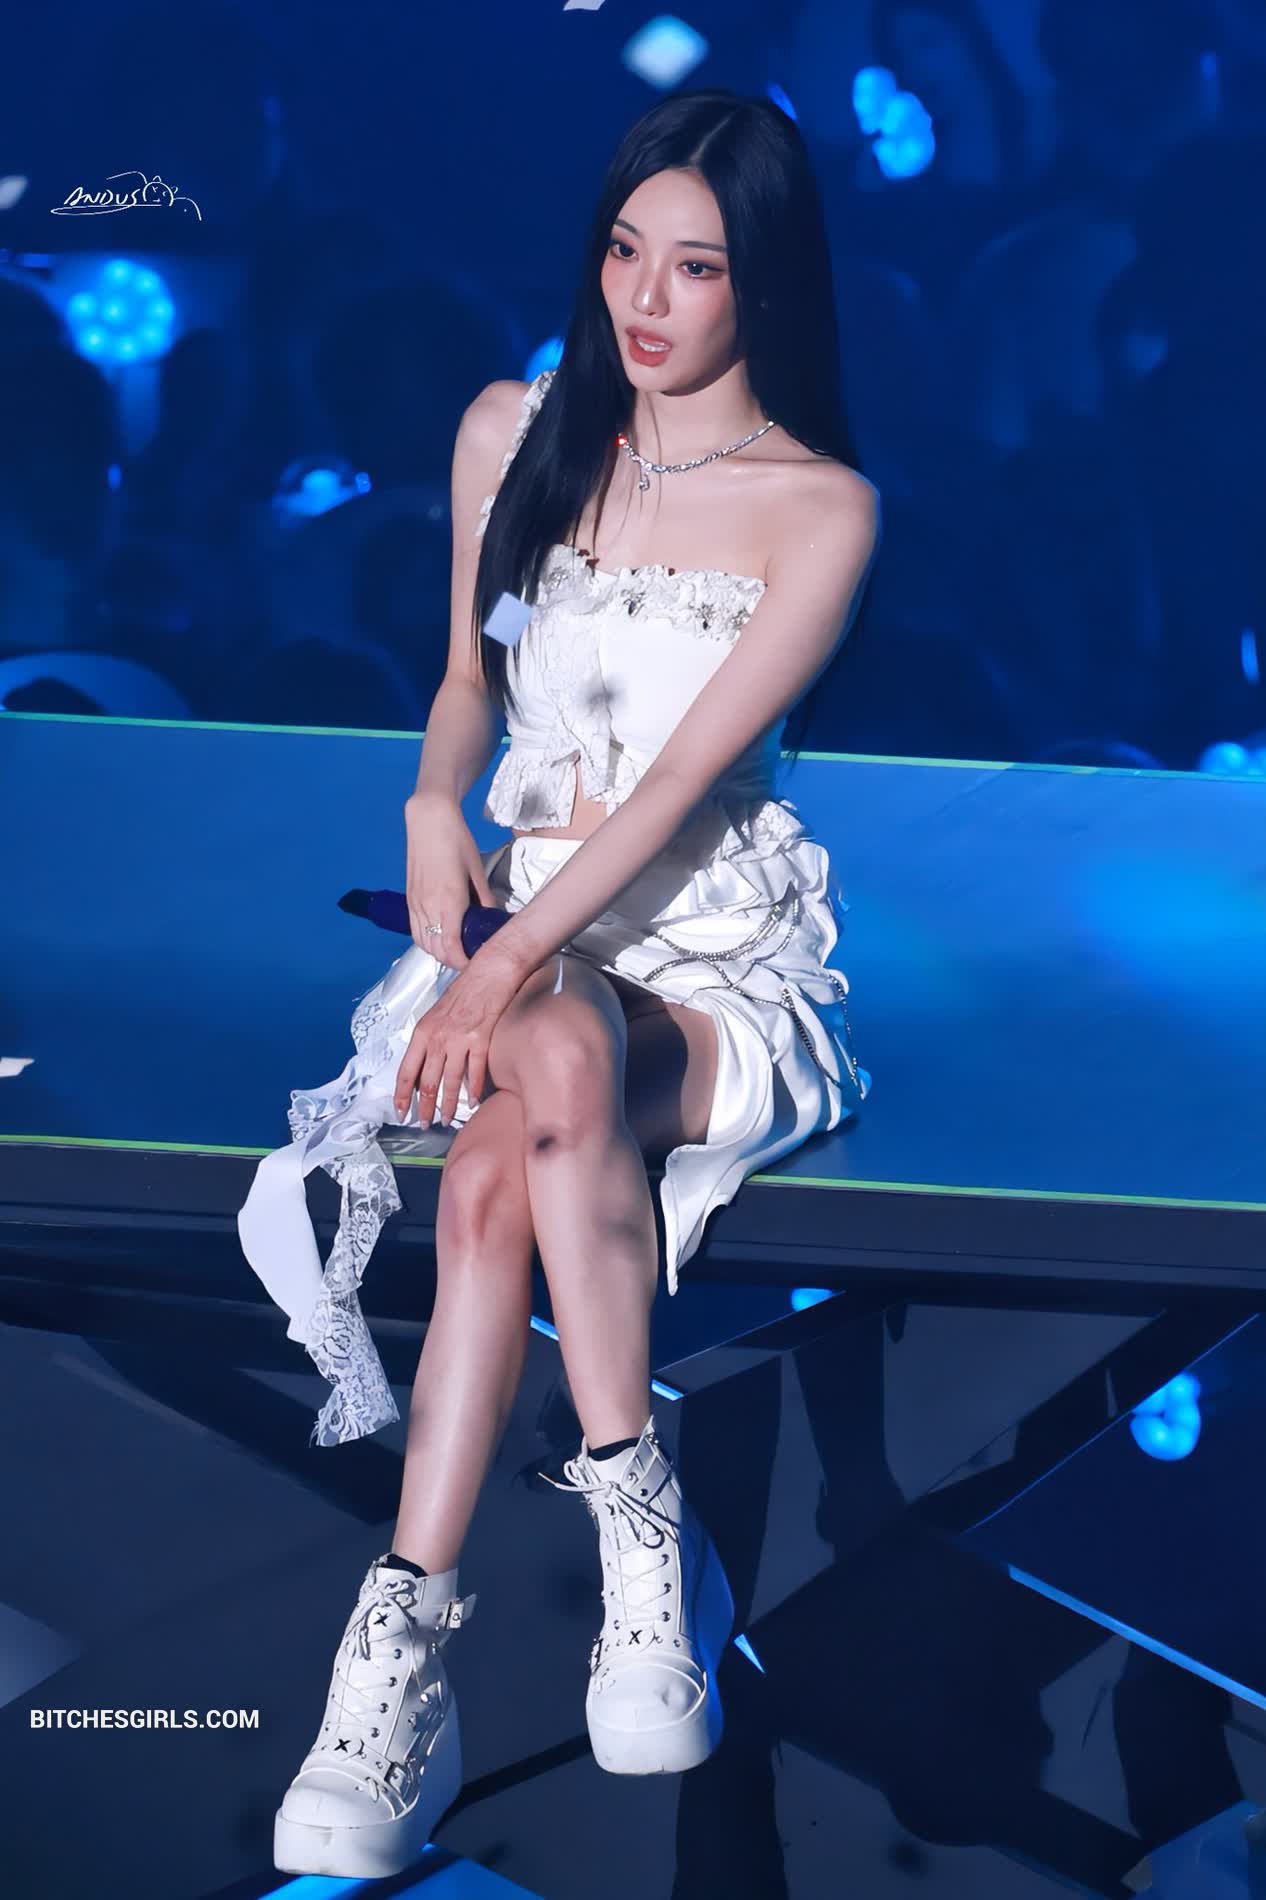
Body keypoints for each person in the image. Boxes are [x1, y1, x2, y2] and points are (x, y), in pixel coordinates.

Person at [237, 88, 880, 1880]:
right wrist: (429, 808)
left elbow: (671, 794)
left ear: (767, 284)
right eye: (624, 252)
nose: (646, 301)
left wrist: (497, 967)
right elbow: (467, 684)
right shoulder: (511, 432)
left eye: (697, 267)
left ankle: (405, 1632)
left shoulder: (819, 511)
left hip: (707, 961)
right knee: (523, 1125)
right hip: (521, 942)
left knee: (529, 1109)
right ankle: (631, 1543)